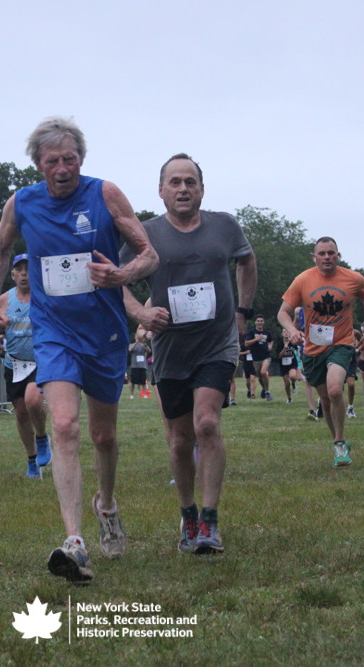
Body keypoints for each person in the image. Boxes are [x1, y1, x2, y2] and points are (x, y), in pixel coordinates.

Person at [0, 116, 158, 583]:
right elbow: (0, 248)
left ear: (81, 159)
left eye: (70, 159)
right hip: (54, 330)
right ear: (38, 165)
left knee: (103, 436)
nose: (62, 169)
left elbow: (148, 254)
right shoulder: (22, 202)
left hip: (103, 331)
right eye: (52, 161)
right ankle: (74, 542)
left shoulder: (105, 194)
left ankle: (107, 506)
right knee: (63, 425)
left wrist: (121, 275)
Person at [121, 153, 256, 555]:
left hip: (216, 344)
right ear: (161, 191)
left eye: (190, 182)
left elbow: (247, 261)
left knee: (207, 424)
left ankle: (210, 521)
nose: (183, 189)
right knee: (181, 439)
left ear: (202, 189)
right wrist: (141, 313)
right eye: (175, 182)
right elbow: (115, 279)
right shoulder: (145, 235)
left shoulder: (225, 226)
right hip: (171, 350)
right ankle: (188, 513)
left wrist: (243, 311)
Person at [277, 237, 364, 467]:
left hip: (341, 343)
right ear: (314, 257)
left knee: (334, 390)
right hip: (313, 349)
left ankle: (340, 441)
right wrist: (292, 330)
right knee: (325, 398)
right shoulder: (303, 280)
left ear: (338, 256)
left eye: (331, 253)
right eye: (322, 253)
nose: (327, 257)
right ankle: (337, 441)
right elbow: (283, 312)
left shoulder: (353, 278)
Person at [0, 254, 52, 478]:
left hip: (39, 360)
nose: (24, 274)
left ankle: (42, 437)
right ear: (13, 274)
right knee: (22, 414)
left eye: (28, 269)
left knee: (33, 401)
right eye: (19, 269)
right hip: (13, 363)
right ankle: (32, 459)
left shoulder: (44, 297)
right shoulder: (4, 300)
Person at [243, 316, 273, 400]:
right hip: (256, 359)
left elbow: (271, 340)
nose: (260, 322)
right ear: (255, 322)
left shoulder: (267, 332)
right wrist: (257, 339)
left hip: (266, 356)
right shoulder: (251, 332)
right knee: (260, 377)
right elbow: (246, 343)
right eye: (258, 321)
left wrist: (270, 346)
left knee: (263, 372)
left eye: (261, 321)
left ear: (264, 322)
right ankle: (264, 389)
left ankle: (267, 392)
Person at [127, 328, 151, 400]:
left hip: (142, 366)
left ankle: (144, 394)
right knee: (133, 382)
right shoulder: (131, 344)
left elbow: (149, 351)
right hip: (134, 366)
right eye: (137, 336)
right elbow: (130, 350)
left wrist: (145, 344)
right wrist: (136, 342)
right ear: (135, 337)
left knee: (143, 381)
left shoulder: (143, 345)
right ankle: (131, 395)